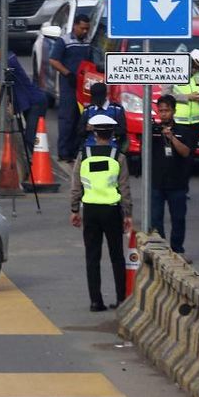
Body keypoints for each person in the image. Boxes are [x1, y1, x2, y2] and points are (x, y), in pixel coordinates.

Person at [69, 114, 133, 312]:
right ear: (112, 134)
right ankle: (121, 298)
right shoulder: (118, 157)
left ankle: (96, 301)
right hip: (112, 211)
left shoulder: (84, 155)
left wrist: (74, 209)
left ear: (95, 133)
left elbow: (76, 185)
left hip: (91, 211)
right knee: (117, 256)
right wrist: (128, 214)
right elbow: (124, 188)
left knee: (92, 257)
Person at [147, 95, 194, 259]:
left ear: (173, 111)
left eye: (167, 110)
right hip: (157, 183)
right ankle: (162, 251)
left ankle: (178, 250)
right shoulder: (152, 132)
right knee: (156, 219)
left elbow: (186, 152)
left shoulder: (183, 131)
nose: (164, 114)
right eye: (160, 111)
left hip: (177, 183)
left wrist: (171, 138)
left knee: (178, 218)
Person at [0, 37, 48, 155]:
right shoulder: (2, 62)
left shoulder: (8, 62)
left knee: (31, 137)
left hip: (35, 102)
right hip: (28, 103)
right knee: (29, 137)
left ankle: (35, 165)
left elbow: (5, 88)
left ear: (3, 49)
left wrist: (2, 104)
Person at [48, 14, 92, 161]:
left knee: (81, 119)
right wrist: (67, 74)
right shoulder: (64, 41)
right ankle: (64, 151)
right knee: (67, 118)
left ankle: (76, 151)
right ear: (75, 26)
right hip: (69, 85)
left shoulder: (88, 42)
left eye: (87, 29)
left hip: (84, 87)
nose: (85, 32)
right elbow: (53, 60)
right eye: (82, 28)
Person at [164, 49, 199, 156]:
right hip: (179, 121)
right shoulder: (174, 74)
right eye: (195, 66)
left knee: (191, 154)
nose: (195, 69)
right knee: (178, 153)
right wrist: (187, 97)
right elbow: (165, 96)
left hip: (196, 122)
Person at [78, 81, 126, 152]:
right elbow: (80, 131)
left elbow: (122, 131)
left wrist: (102, 128)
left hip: (112, 147)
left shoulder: (117, 110)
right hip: (90, 147)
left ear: (105, 95)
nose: (98, 101)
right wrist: (86, 129)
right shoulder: (87, 110)